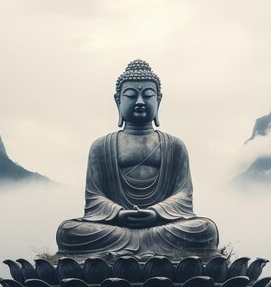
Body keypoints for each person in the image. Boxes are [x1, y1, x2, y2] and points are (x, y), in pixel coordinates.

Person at [56, 60, 218, 257]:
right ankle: (149, 251)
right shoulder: (101, 146)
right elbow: (94, 197)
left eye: (148, 95)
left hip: (162, 226)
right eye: (131, 95)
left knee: (205, 229)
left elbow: (183, 195)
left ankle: (127, 251)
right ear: (118, 101)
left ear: (159, 100)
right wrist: (118, 214)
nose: (140, 101)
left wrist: (156, 213)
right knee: (68, 231)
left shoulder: (175, 146)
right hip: (116, 227)